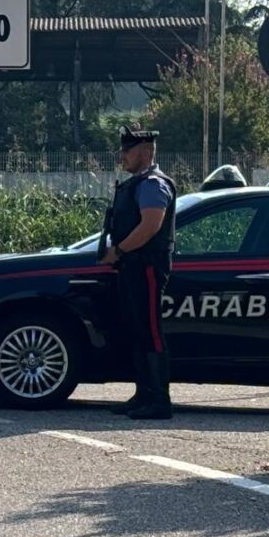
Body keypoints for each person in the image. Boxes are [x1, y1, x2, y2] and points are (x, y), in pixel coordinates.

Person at [99, 125, 177, 419]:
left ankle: (159, 400)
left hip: (146, 265)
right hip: (132, 266)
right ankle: (143, 394)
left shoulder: (153, 185)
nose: (123, 155)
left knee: (151, 331)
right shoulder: (136, 183)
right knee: (136, 330)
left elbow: (150, 226)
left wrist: (118, 251)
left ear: (146, 151)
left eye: (128, 150)